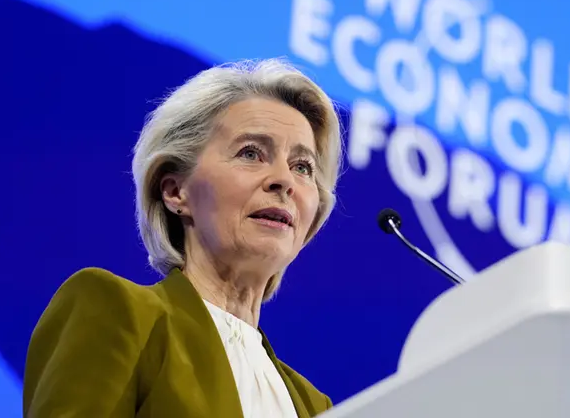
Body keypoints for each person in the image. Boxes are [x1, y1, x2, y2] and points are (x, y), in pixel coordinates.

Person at [23, 58, 343, 418]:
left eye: (302, 167)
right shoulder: (119, 313)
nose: (284, 181)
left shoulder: (316, 406)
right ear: (176, 192)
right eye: (251, 153)